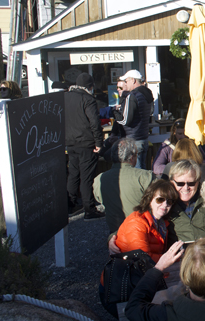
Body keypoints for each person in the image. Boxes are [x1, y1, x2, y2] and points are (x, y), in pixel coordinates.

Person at [93, 138, 155, 233]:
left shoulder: (99, 180)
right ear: (131, 158)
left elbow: (99, 199)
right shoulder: (146, 177)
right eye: (136, 154)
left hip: (116, 233)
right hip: (143, 232)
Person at [65, 73, 104, 219]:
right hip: (86, 143)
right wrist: (99, 143)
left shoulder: (65, 97)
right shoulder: (88, 99)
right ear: (90, 87)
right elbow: (94, 122)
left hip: (70, 142)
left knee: (73, 174)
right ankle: (89, 209)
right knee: (86, 176)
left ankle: (70, 204)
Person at [115, 180, 179, 263]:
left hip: (148, 269)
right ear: (149, 200)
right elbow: (142, 258)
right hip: (130, 271)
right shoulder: (137, 223)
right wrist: (174, 259)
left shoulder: (162, 223)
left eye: (169, 201)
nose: (165, 204)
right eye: (160, 199)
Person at [115, 69, 153, 169]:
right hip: (143, 138)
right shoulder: (147, 94)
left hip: (133, 140)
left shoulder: (132, 96)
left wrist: (114, 113)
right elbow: (150, 113)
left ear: (133, 80)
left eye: (126, 81)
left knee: (136, 173)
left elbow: (125, 121)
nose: (126, 84)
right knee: (142, 171)